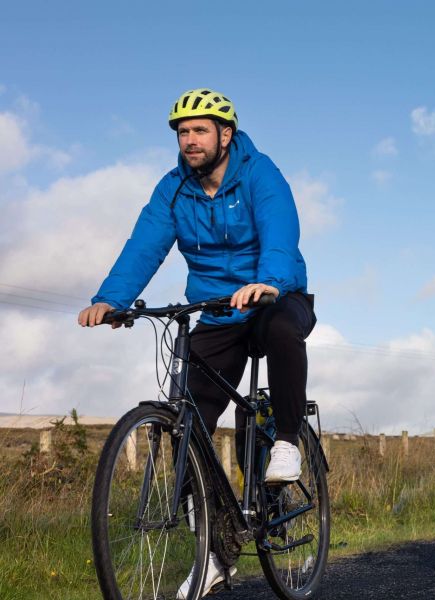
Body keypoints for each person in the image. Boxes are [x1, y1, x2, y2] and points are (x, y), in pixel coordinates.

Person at [77, 88, 316, 596]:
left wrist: (270, 278)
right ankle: (214, 552)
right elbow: (144, 244)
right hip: (216, 310)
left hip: (275, 294)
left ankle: (287, 443)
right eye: (183, 132)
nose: (190, 140)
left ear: (225, 135)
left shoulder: (259, 172)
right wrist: (113, 299)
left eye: (200, 130)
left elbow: (280, 228)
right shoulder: (174, 189)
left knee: (280, 330)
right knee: (189, 428)